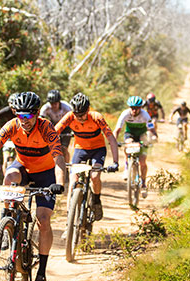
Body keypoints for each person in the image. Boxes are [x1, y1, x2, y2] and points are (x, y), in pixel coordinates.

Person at [0, 91, 66, 281]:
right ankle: (7, 221)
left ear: (37, 114)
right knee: (10, 174)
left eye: (29, 116)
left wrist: (59, 183)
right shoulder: (12, 125)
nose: (25, 121)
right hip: (23, 166)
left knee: (43, 219)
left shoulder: (46, 128)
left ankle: (40, 274)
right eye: (20, 115)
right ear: (15, 113)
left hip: (46, 173)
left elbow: (58, 158)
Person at [55, 92, 119, 221]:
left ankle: (96, 200)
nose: (79, 117)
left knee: (95, 176)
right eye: (76, 114)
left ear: (88, 110)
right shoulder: (70, 116)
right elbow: (53, 133)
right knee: (73, 180)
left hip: (97, 149)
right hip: (81, 150)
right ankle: (69, 221)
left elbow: (111, 138)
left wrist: (115, 162)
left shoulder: (96, 117)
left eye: (82, 114)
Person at [113, 96, 153, 198]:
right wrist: (113, 140)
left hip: (142, 135)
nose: (134, 110)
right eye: (132, 107)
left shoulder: (145, 115)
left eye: (136, 108)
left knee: (143, 162)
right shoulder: (125, 114)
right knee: (128, 144)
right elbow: (117, 129)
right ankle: (127, 167)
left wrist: (152, 138)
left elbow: (151, 128)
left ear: (141, 108)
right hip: (130, 134)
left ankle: (143, 184)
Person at [39, 89, 73, 166]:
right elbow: (40, 121)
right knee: (52, 148)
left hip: (66, 128)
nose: (53, 105)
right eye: (51, 103)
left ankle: (66, 167)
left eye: (55, 103)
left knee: (64, 148)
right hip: (54, 127)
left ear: (59, 102)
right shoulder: (45, 108)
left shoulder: (66, 107)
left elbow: (73, 120)